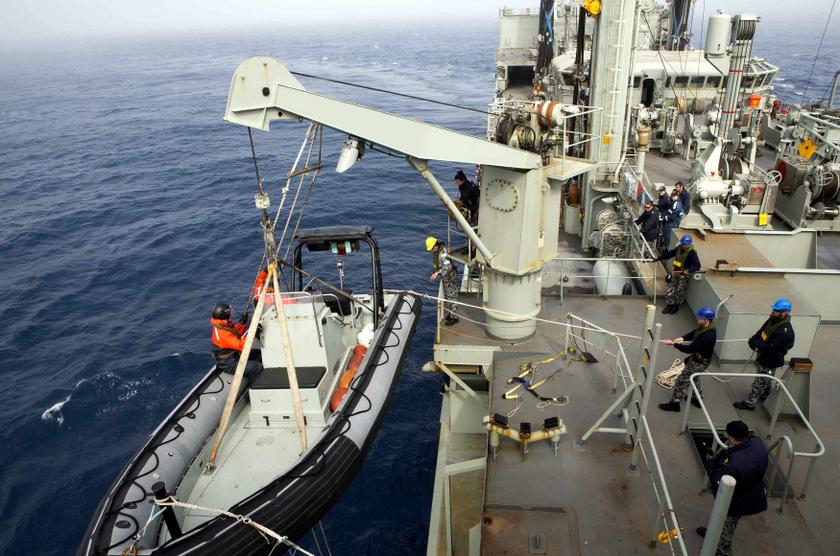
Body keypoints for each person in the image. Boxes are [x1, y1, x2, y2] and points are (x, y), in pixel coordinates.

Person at [698, 420, 768, 556]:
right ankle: (713, 534)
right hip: (753, 490)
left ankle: (721, 550)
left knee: (727, 526)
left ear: (732, 437)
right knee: (722, 519)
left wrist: (710, 463)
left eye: (728, 435)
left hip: (736, 499)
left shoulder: (734, 464)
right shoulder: (757, 443)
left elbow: (718, 481)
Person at [733, 298, 795, 411]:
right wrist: (754, 339)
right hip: (763, 356)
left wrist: (756, 344)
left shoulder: (784, 330)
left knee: (759, 383)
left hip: (770, 360)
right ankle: (765, 394)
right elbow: (762, 331)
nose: (773, 312)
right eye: (774, 309)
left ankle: (750, 403)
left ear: (785, 312)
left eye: (776, 311)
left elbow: (771, 347)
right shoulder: (772, 320)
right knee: (765, 380)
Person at [658, 306, 717, 412]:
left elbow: (690, 349)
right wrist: (683, 338)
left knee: (682, 381)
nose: (697, 318)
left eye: (700, 317)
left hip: (698, 362)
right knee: (694, 378)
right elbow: (695, 332)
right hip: (700, 359)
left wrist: (674, 344)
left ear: (706, 320)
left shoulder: (707, 336)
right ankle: (696, 398)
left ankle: (674, 404)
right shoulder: (707, 327)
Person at [210, 302, 262, 375]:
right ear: (225, 315)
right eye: (229, 311)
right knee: (257, 367)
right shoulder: (222, 334)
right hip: (229, 364)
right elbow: (241, 345)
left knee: (258, 354)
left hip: (235, 356)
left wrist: (242, 324)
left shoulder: (223, 324)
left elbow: (235, 333)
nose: (231, 312)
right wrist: (253, 333)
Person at [652, 235, 700, 314]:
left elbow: (697, 265)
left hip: (683, 275)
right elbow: (669, 254)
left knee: (679, 290)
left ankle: (676, 306)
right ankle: (669, 304)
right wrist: (658, 258)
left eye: (684, 244)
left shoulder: (692, 253)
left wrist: (688, 270)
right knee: (670, 288)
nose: (682, 245)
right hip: (675, 272)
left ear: (689, 244)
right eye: (682, 243)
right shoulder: (678, 249)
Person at [427, 236, 459, 326]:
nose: (431, 251)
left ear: (435, 246)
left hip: (450, 278)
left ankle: (454, 318)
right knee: (448, 297)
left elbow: (448, 267)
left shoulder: (442, 254)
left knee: (451, 297)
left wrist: (437, 273)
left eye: (431, 249)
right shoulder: (438, 251)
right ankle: (452, 314)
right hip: (446, 278)